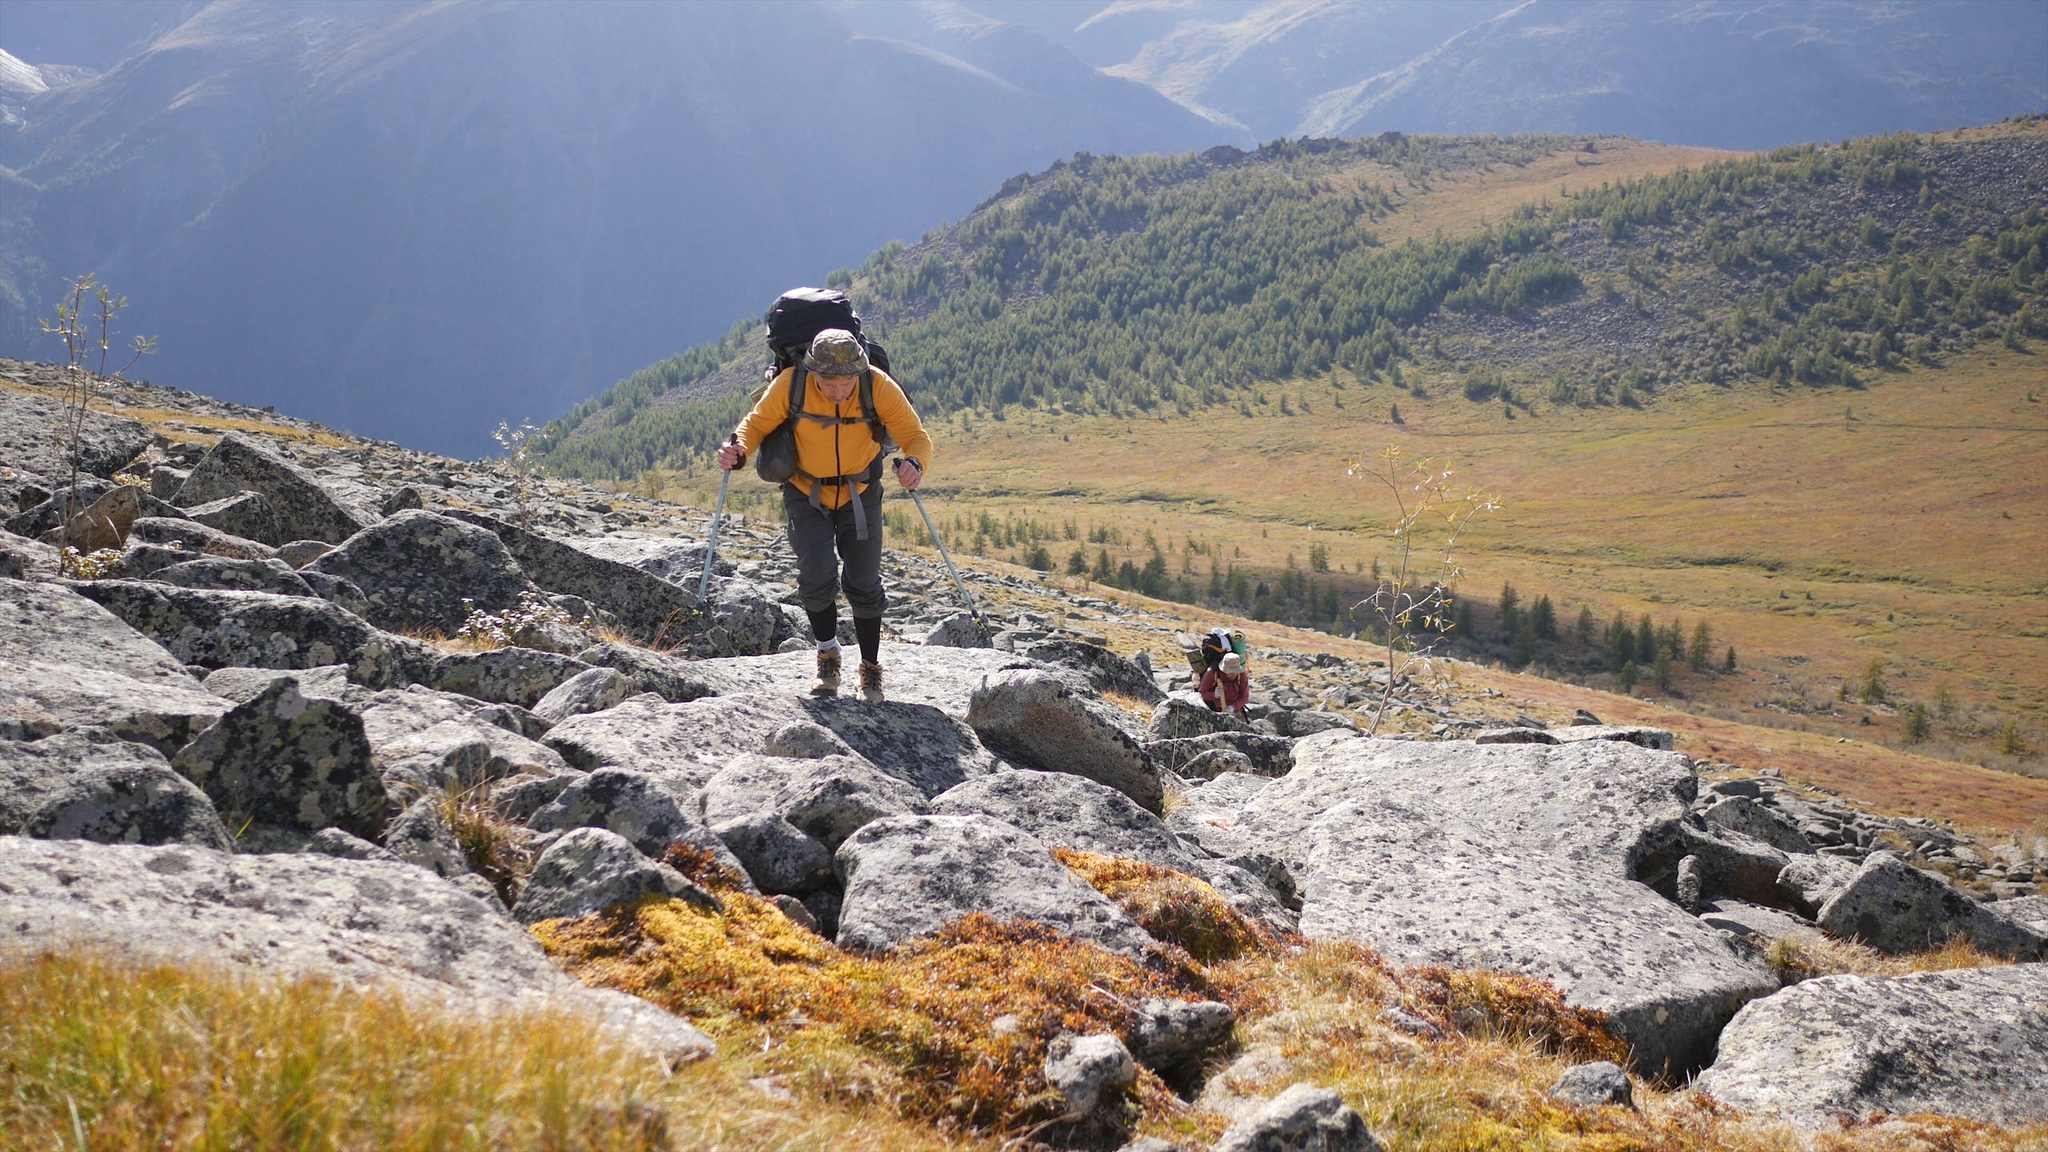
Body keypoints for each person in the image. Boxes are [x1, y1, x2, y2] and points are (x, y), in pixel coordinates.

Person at [717, 328, 932, 702]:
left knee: (864, 584)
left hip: (860, 492)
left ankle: (870, 670)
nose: (837, 391)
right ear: (812, 370)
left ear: (859, 372)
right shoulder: (791, 383)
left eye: (845, 382)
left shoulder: (877, 386)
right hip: (805, 491)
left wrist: (914, 463)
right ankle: (828, 656)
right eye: (828, 382)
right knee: (816, 578)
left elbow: (916, 436)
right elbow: (756, 423)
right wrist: (737, 449)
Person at [1201, 651, 1250, 718]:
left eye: (1235, 671)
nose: (1232, 674)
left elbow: (1244, 697)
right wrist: (1214, 695)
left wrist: (1232, 707)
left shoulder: (1241, 675)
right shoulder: (1212, 673)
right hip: (1213, 711)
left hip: (1235, 711)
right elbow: (1201, 694)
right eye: (1230, 672)